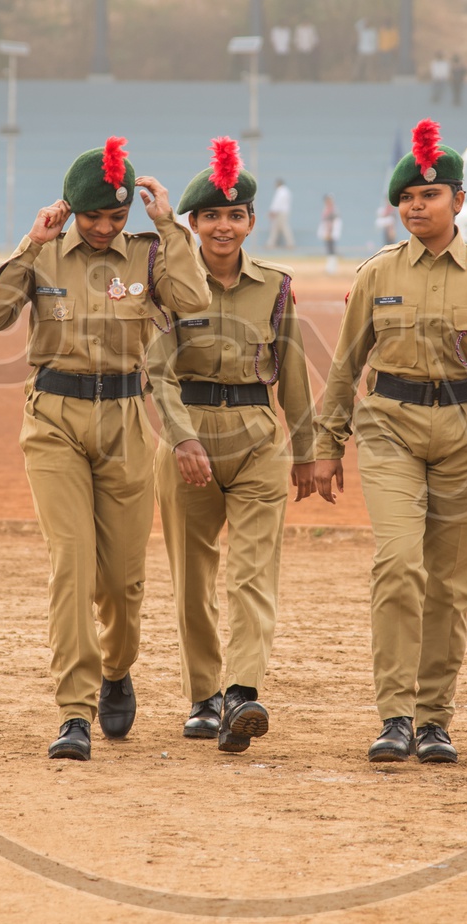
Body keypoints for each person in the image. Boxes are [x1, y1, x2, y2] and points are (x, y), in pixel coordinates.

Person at [0, 137, 210, 761]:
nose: (104, 228)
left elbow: (196, 302)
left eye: (116, 217)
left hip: (125, 421)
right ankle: (73, 712)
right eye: (94, 215)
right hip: (53, 420)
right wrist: (31, 244)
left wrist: (169, 228)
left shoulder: (149, 253)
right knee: (72, 565)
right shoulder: (46, 254)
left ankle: (116, 668)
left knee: (123, 583)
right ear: (72, 208)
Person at [313, 119, 467, 765]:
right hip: (388, 427)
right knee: (397, 563)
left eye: (430, 196)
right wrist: (327, 441)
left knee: (449, 582)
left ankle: (434, 718)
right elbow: (343, 364)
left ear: (459, 201)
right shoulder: (375, 275)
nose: (417, 206)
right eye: (407, 198)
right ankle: (394, 715)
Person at [147, 137, 317, 754]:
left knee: (252, 572)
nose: (224, 226)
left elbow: (292, 372)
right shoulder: (167, 286)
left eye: (236, 215)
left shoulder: (275, 287)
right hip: (186, 437)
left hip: (256, 439)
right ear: (193, 223)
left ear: (250, 221)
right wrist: (181, 437)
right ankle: (202, 698)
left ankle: (241, 693)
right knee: (193, 575)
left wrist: (308, 449)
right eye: (212, 216)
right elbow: (155, 370)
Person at [265, 178, 295, 249]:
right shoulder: (286, 191)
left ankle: (290, 243)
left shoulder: (280, 191)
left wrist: (273, 211)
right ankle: (271, 244)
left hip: (280, 212)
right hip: (283, 212)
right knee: (275, 228)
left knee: (282, 227)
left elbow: (277, 202)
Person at [318, 194, 342, 275]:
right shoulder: (326, 210)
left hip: (331, 233)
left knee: (332, 250)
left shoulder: (334, 210)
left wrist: (333, 233)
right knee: (328, 250)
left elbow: (336, 223)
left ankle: (333, 268)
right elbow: (323, 222)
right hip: (327, 232)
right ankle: (329, 267)